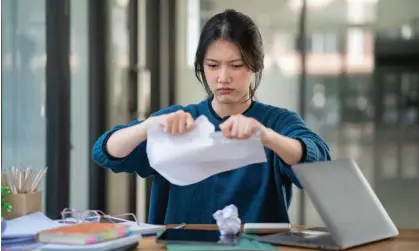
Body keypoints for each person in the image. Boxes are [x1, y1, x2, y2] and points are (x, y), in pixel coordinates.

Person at [92, 9, 331, 225]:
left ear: (255, 65)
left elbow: (319, 162)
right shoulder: (179, 119)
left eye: (236, 65)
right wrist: (148, 126)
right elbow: (105, 152)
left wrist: (267, 137)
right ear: (202, 67)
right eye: (213, 65)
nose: (223, 77)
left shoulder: (277, 122)